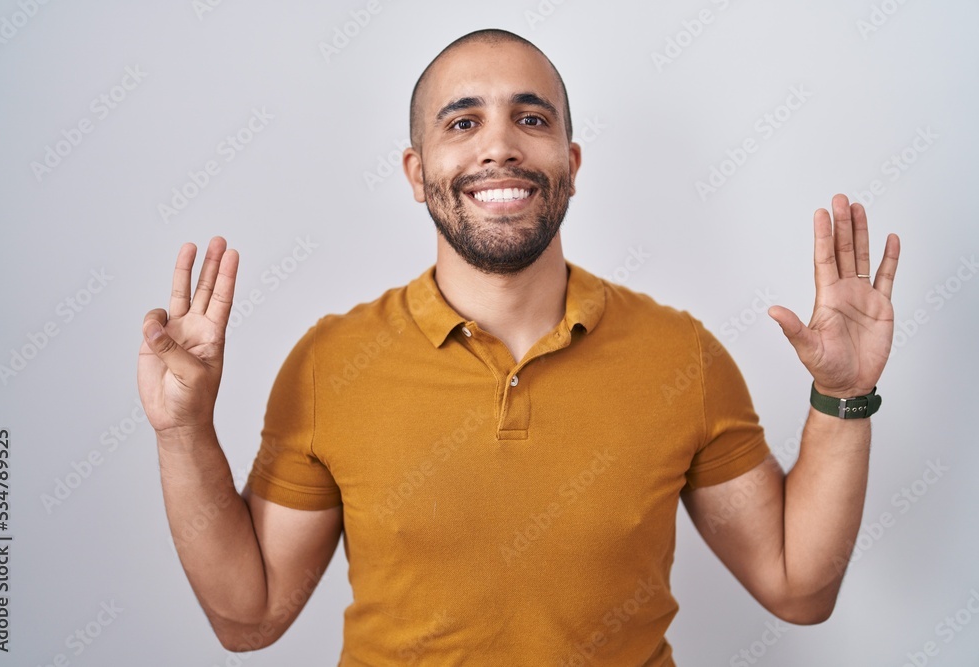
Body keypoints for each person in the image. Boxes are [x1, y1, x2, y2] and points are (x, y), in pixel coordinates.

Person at [137, 28, 900, 666]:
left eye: (532, 120)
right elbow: (251, 618)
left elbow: (800, 588)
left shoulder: (682, 359)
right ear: (416, 171)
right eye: (462, 123)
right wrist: (182, 429)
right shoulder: (330, 363)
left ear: (571, 162)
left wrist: (843, 398)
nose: (499, 146)